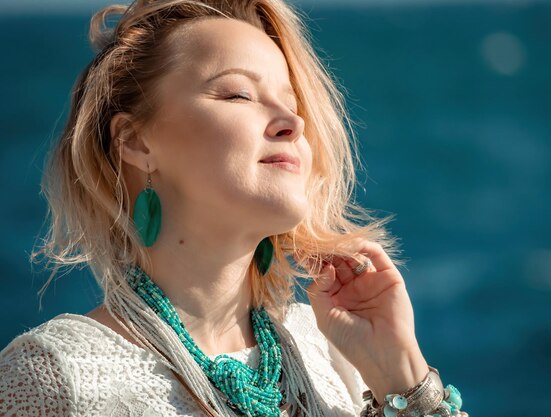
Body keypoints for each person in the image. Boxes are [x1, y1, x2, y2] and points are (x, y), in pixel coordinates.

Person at [0, 1, 469, 416]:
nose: (292, 122)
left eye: (291, 102)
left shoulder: (334, 350)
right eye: (238, 94)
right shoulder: (56, 377)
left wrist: (400, 375)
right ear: (136, 141)